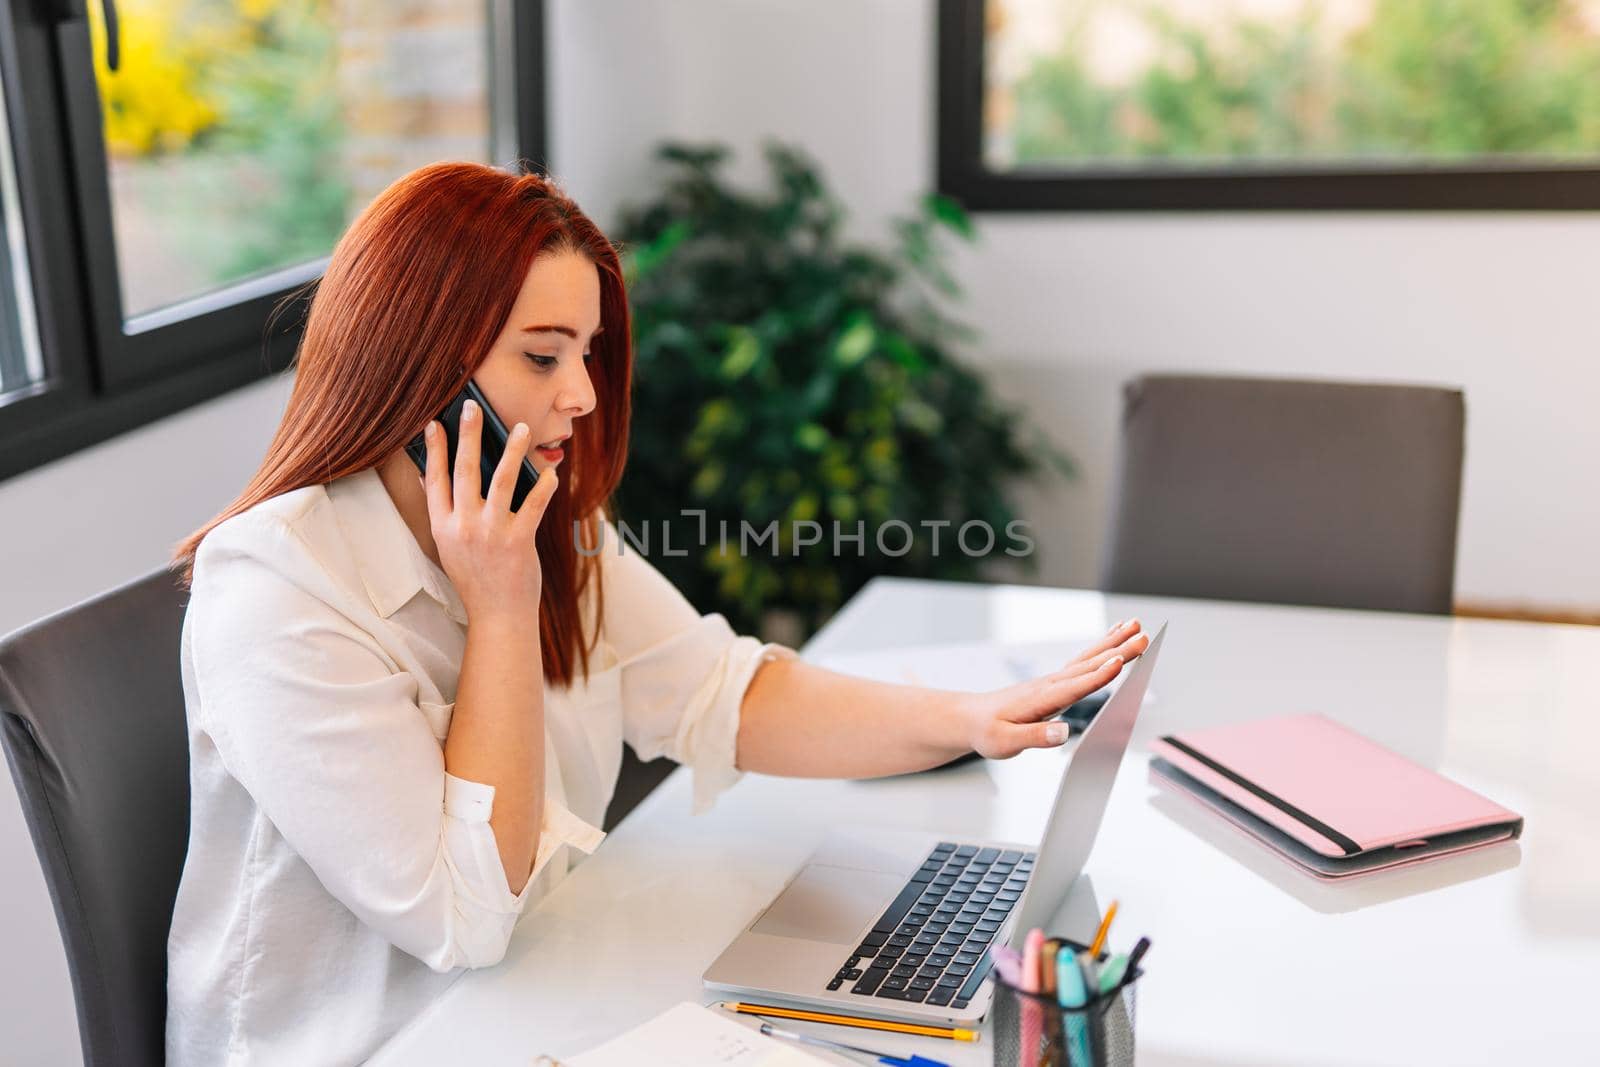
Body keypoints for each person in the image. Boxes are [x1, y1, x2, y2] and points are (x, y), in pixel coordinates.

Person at [164, 161, 1149, 1065]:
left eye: (587, 355)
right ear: (421, 362)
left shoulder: (548, 521)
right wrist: (502, 609)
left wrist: (972, 718)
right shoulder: (274, 588)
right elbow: (462, 915)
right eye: (542, 357)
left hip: (538, 992)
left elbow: (720, 692)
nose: (584, 394)